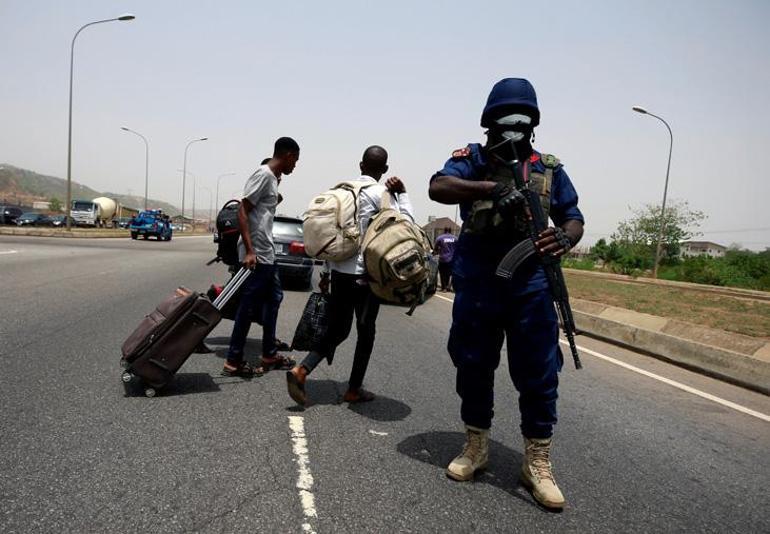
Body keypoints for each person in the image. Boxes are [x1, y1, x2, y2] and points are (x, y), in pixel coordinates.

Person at [428, 78, 584, 510]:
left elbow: (573, 217)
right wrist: (490, 188)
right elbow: (438, 187)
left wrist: (565, 239)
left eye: (520, 120)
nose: (511, 128)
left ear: (532, 124)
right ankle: (476, 446)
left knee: (538, 372)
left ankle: (537, 462)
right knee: (474, 364)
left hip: (531, 284)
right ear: (488, 123)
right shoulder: (472, 160)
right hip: (479, 281)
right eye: (503, 120)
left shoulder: (547, 168)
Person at [286, 145, 415, 406]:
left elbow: (334, 234)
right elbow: (406, 224)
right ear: (385, 169)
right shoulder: (382, 193)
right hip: (366, 277)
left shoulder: (343, 190)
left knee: (339, 329)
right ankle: (353, 390)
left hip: (340, 273)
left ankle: (303, 369)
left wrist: (326, 271)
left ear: (360, 165)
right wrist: (402, 193)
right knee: (366, 332)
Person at [222, 137, 300, 377]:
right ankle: (233, 361)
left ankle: (268, 353)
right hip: (257, 254)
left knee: (274, 298)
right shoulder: (264, 174)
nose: (295, 166)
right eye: (295, 160)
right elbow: (242, 210)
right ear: (287, 155)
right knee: (248, 306)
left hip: (266, 253)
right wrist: (251, 251)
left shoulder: (271, 180)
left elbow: (261, 212)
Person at [433, 227, 457, 291]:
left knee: (442, 273)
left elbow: (435, 248)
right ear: (450, 231)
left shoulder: (440, 238)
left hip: (443, 259)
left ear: (444, 231)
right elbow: (458, 248)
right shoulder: (455, 238)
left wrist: (435, 252)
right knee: (448, 273)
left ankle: (444, 287)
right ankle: (447, 286)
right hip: (452, 259)